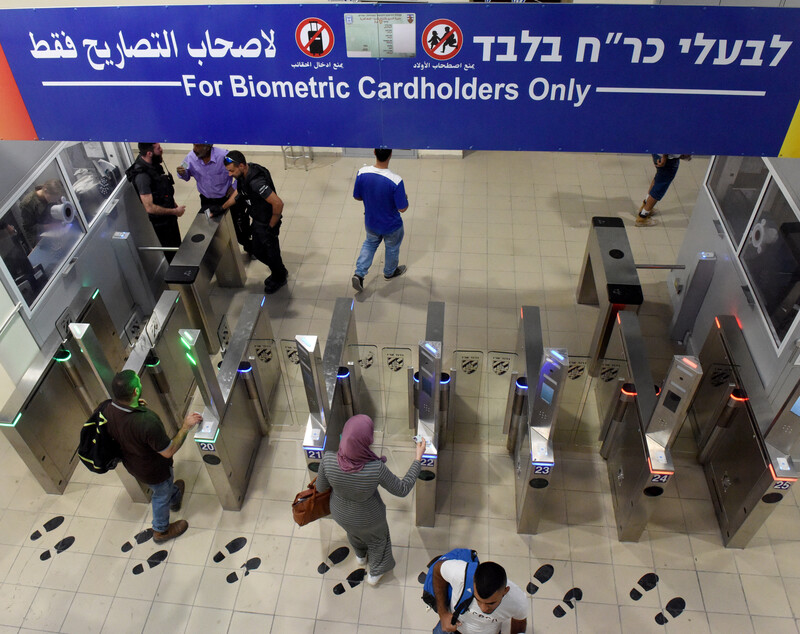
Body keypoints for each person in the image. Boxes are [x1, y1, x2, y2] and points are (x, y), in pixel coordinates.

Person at [315, 414, 426, 585]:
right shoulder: (375, 468)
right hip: (369, 518)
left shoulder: (328, 459)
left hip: (340, 513)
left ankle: (360, 556)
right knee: (378, 542)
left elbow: (321, 488)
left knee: (353, 533)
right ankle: (375, 574)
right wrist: (418, 459)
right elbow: (402, 489)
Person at [105, 370, 202, 543]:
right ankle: (160, 530)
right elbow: (168, 451)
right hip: (154, 470)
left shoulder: (109, 409)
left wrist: (135, 406)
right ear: (135, 392)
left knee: (165, 488)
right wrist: (186, 427)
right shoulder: (147, 422)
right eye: (138, 383)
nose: (140, 384)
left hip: (133, 464)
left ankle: (174, 496)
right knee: (160, 494)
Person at [220, 150, 289, 294]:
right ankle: (279, 271)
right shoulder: (245, 174)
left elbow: (278, 204)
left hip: (266, 223)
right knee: (258, 250)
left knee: (271, 252)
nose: (229, 174)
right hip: (258, 221)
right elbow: (240, 192)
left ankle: (279, 277)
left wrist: (271, 225)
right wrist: (223, 207)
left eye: (231, 171)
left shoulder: (256, 182)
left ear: (241, 166)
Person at [176, 143, 251, 255]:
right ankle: (218, 254)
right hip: (207, 201)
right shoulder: (190, 157)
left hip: (227, 198)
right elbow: (186, 176)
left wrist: (234, 187)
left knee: (239, 226)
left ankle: (249, 247)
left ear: (207, 146)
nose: (194, 149)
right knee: (209, 227)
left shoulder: (224, 156)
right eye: (194, 145)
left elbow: (242, 172)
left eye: (197, 146)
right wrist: (182, 173)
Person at [351, 148, 409, 293]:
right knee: (392, 248)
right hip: (392, 226)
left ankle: (359, 273)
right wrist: (405, 198)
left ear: (374, 152)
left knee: (369, 245)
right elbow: (402, 208)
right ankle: (389, 273)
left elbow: (357, 196)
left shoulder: (362, 173)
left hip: (371, 222)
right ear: (390, 155)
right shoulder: (396, 180)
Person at [126, 143, 185, 263]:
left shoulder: (153, 165)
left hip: (169, 216)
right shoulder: (142, 177)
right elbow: (150, 208)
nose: (162, 150)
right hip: (162, 223)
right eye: (158, 148)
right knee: (171, 251)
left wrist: (172, 203)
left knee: (177, 245)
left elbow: (162, 187)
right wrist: (175, 211)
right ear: (149, 153)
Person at [432, 560, 528, 634]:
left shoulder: (518, 601)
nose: (483, 608)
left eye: (491, 603)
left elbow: (519, 622)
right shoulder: (460, 574)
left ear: (505, 591)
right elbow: (437, 569)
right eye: (477, 600)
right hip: (451, 628)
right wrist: (443, 613)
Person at [635, 153, 692, 227]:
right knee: (660, 186)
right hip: (667, 159)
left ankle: (645, 206)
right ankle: (642, 217)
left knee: (659, 179)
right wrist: (665, 156)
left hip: (658, 153)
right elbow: (668, 143)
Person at [19, 179, 65, 248]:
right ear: (45, 191)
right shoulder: (28, 203)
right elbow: (28, 228)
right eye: (53, 199)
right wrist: (48, 226)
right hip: (38, 236)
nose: (54, 201)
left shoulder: (51, 192)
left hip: (53, 229)